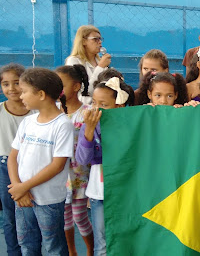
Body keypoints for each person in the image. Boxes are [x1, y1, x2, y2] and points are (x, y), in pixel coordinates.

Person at [7, 68, 74, 255]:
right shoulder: (28, 122)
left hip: (48, 201)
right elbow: (13, 157)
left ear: (41, 94)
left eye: (24, 91)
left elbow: (57, 165)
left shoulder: (62, 125)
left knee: (54, 247)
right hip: (22, 199)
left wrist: (24, 187)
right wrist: (18, 187)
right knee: (27, 244)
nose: (21, 96)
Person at [76, 77, 134, 256]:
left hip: (125, 192)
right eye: (94, 102)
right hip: (99, 194)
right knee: (102, 241)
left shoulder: (131, 126)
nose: (96, 108)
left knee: (127, 237)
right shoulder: (90, 126)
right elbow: (83, 159)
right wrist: (89, 130)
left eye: (104, 104)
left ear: (119, 106)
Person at [56, 65, 94, 256]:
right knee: (65, 218)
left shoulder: (87, 112)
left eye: (61, 84)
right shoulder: (53, 111)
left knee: (80, 216)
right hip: (58, 174)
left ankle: (90, 249)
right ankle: (72, 251)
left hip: (79, 173)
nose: (57, 89)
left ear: (76, 86)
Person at [0, 63, 35, 256]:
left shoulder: (37, 111)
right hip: (5, 166)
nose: (11, 88)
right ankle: (14, 252)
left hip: (34, 167)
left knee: (33, 214)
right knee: (10, 215)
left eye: (16, 83)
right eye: (5, 84)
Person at [66, 25, 111, 104]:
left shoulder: (100, 61)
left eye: (100, 39)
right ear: (83, 41)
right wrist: (100, 68)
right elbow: (84, 92)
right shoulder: (74, 61)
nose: (100, 42)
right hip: (84, 107)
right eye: (95, 39)